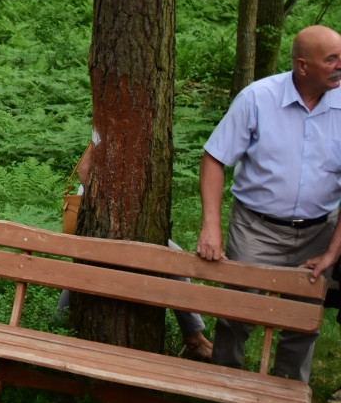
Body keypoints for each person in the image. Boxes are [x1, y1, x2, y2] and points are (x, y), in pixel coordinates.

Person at [198, 25, 341, 384]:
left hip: (319, 231)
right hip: (256, 229)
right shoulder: (257, 98)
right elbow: (214, 158)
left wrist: (333, 252)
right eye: (332, 59)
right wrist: (211, 226)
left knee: (303, 320)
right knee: (237, 313)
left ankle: (288, 397)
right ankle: (225, 388)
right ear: (302, 66)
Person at [58, 140, 214, 361]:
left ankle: (57, 323)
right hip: (102, 227)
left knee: (87, 269)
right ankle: (194, 337)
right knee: (173, 260)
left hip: (123, 231)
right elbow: (84, 173)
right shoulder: (105, 137)